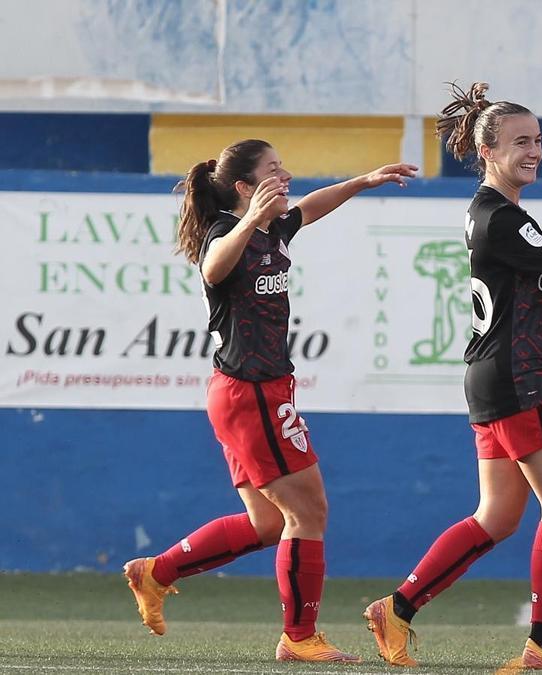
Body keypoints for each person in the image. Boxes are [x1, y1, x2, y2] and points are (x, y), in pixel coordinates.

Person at [123, 140, 418, 662]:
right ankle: (299, 638)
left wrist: (364, 181)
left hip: (255, 390)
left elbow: (314, 205)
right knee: (309, 511)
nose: (287, 176)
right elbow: (212, 268)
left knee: (268, 523)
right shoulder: (227, 234)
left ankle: (157, 572)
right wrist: (249, 220)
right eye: (273, 170)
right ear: (244, 188)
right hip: (249, 391)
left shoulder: (273, 230)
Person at [362, 82, 542, 671]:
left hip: (490, 374)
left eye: (536, 140)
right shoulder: (500, 216)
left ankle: (397, 608)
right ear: (487, 152)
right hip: (518, 375)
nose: (534, 151)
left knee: (498, 516)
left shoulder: (494, 213)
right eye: (519, 143)